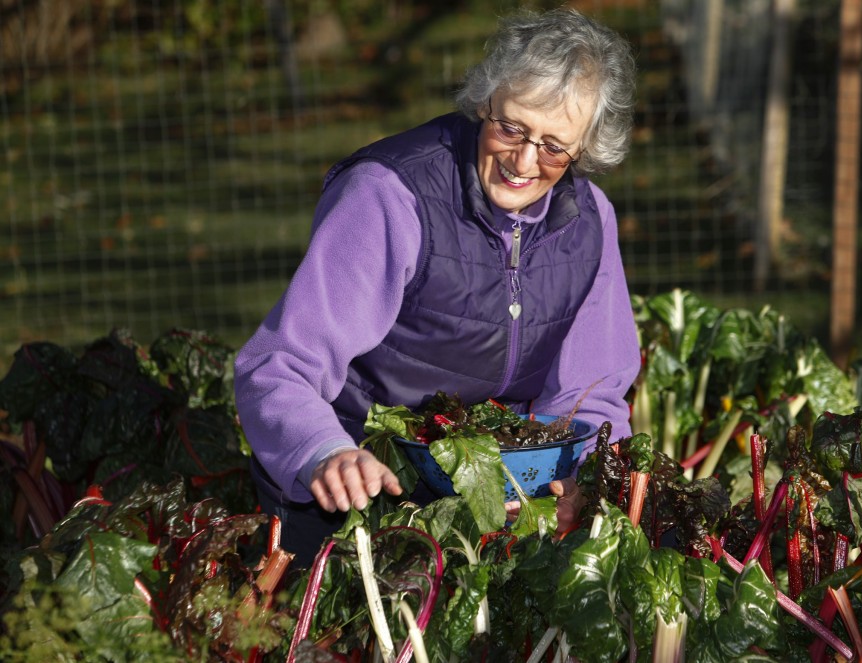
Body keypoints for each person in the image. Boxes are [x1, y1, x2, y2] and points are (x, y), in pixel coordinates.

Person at [234, 7, 641, 566]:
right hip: (360, 486)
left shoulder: (590, 220)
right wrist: (324, 454)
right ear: (485, 101)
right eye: (511, 128)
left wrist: (579, 480)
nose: (524, 161)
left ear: (585, 149)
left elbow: (589, 392)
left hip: (496, 502)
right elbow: (276, 367)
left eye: (554, 147)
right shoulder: (390, 196)